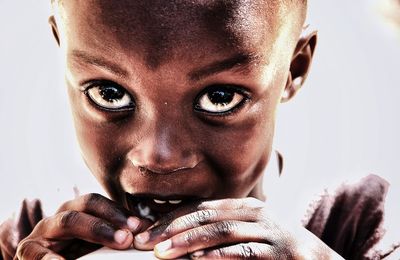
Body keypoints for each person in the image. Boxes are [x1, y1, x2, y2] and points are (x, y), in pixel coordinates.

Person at [0, 0, 398, 259]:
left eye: (220, 97)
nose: (158, 156)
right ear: (62, 52)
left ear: (294, 69)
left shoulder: (362, 226)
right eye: (109, 93)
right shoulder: (28, 236)